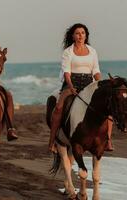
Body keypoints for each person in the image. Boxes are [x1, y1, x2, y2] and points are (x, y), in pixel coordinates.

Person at [48, 23, 114, 153]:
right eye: (77, 33)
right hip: (72, 83)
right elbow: (66, 72)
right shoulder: (68, 52)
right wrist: (71, 87)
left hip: (88, 83)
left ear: (86, 35)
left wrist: (99, 84)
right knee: (58, 108)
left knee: (108, 108)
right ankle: (52, 142)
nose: (80, 36)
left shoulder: (92, 51)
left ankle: (108, 141)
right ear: (73, 36)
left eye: (83, 33)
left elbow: (95, 70)